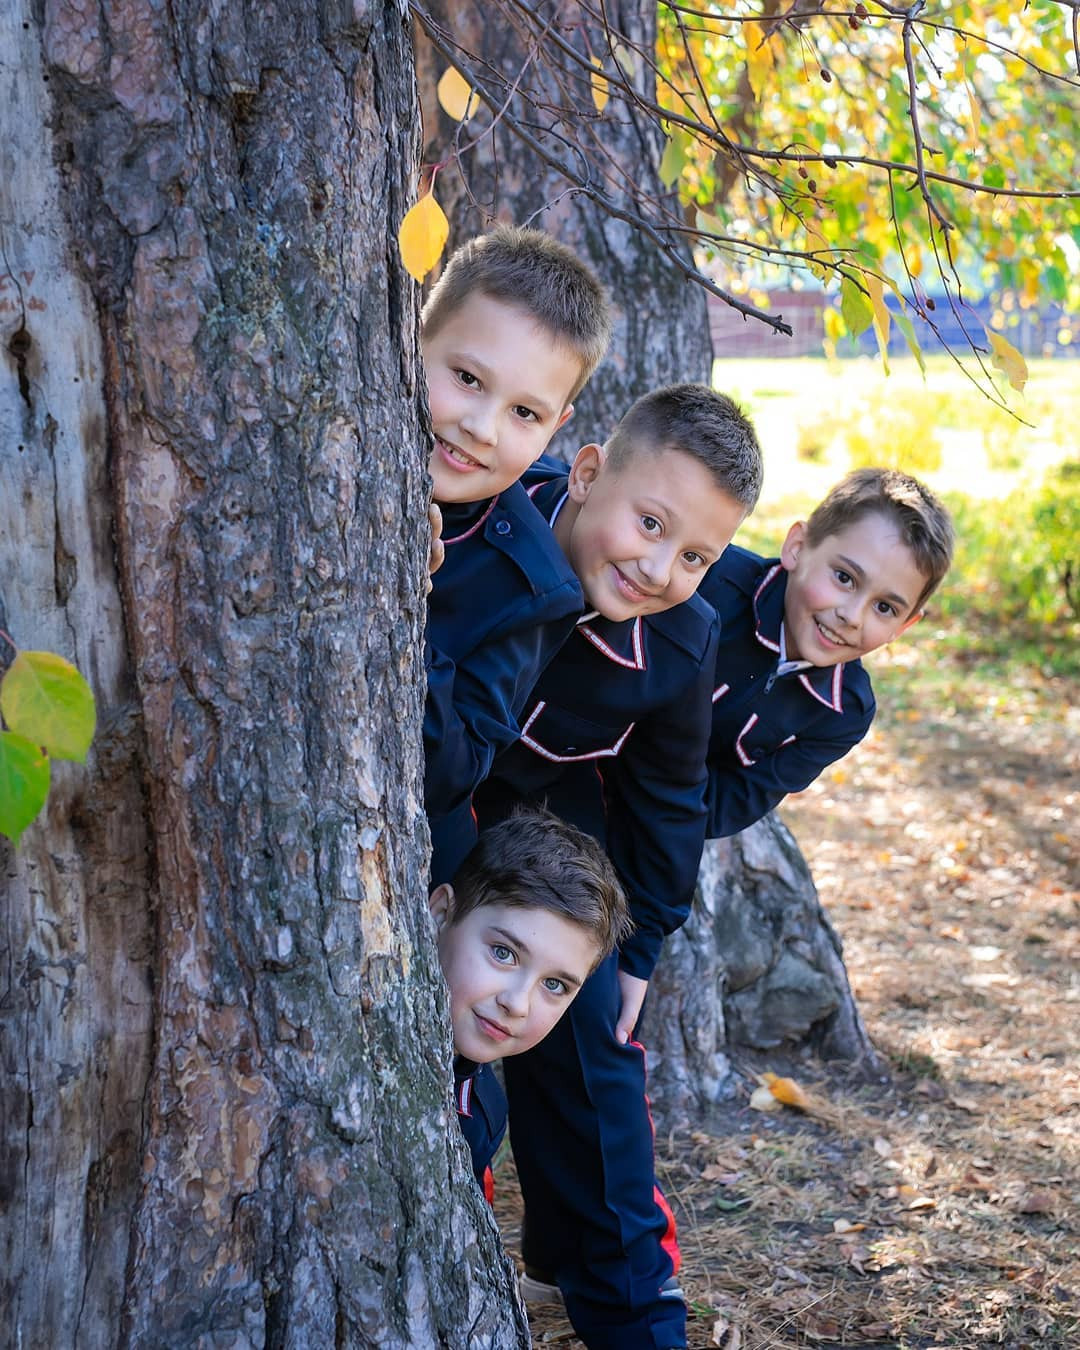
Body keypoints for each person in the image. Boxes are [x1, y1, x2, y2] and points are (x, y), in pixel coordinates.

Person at [473, 383, 764, 1350]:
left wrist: (639, 952)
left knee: (588, 1028)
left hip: (545, 820)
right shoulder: (489, 524)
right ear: (587, 471)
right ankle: (454, 1200)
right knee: (455, 1003)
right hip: (424, 797)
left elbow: (667, 798)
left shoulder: (680, 638)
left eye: (696, 556)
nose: (658, 566)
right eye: (650, 523)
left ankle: (626, 1304)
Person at [422, 225, 612, 884]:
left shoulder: (534, 589)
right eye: (468, 377)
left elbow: (446, 779)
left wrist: (408, 618)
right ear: (411, 337)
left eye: (525, 413)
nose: (482, 427)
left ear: (558, 426)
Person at [702, 466, 955, 838]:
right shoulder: (712, 580)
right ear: (797, 548)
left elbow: (730, 805)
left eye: (884, 608)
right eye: (845, 578)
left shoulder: (844, 712)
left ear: (903, 627)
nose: (851, 616)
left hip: (668, 822)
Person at [428, 807, 631, 1198]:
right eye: (503, 953)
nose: (517, 1004)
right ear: (441, 914)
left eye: (554, 984)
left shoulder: (483, 1114)